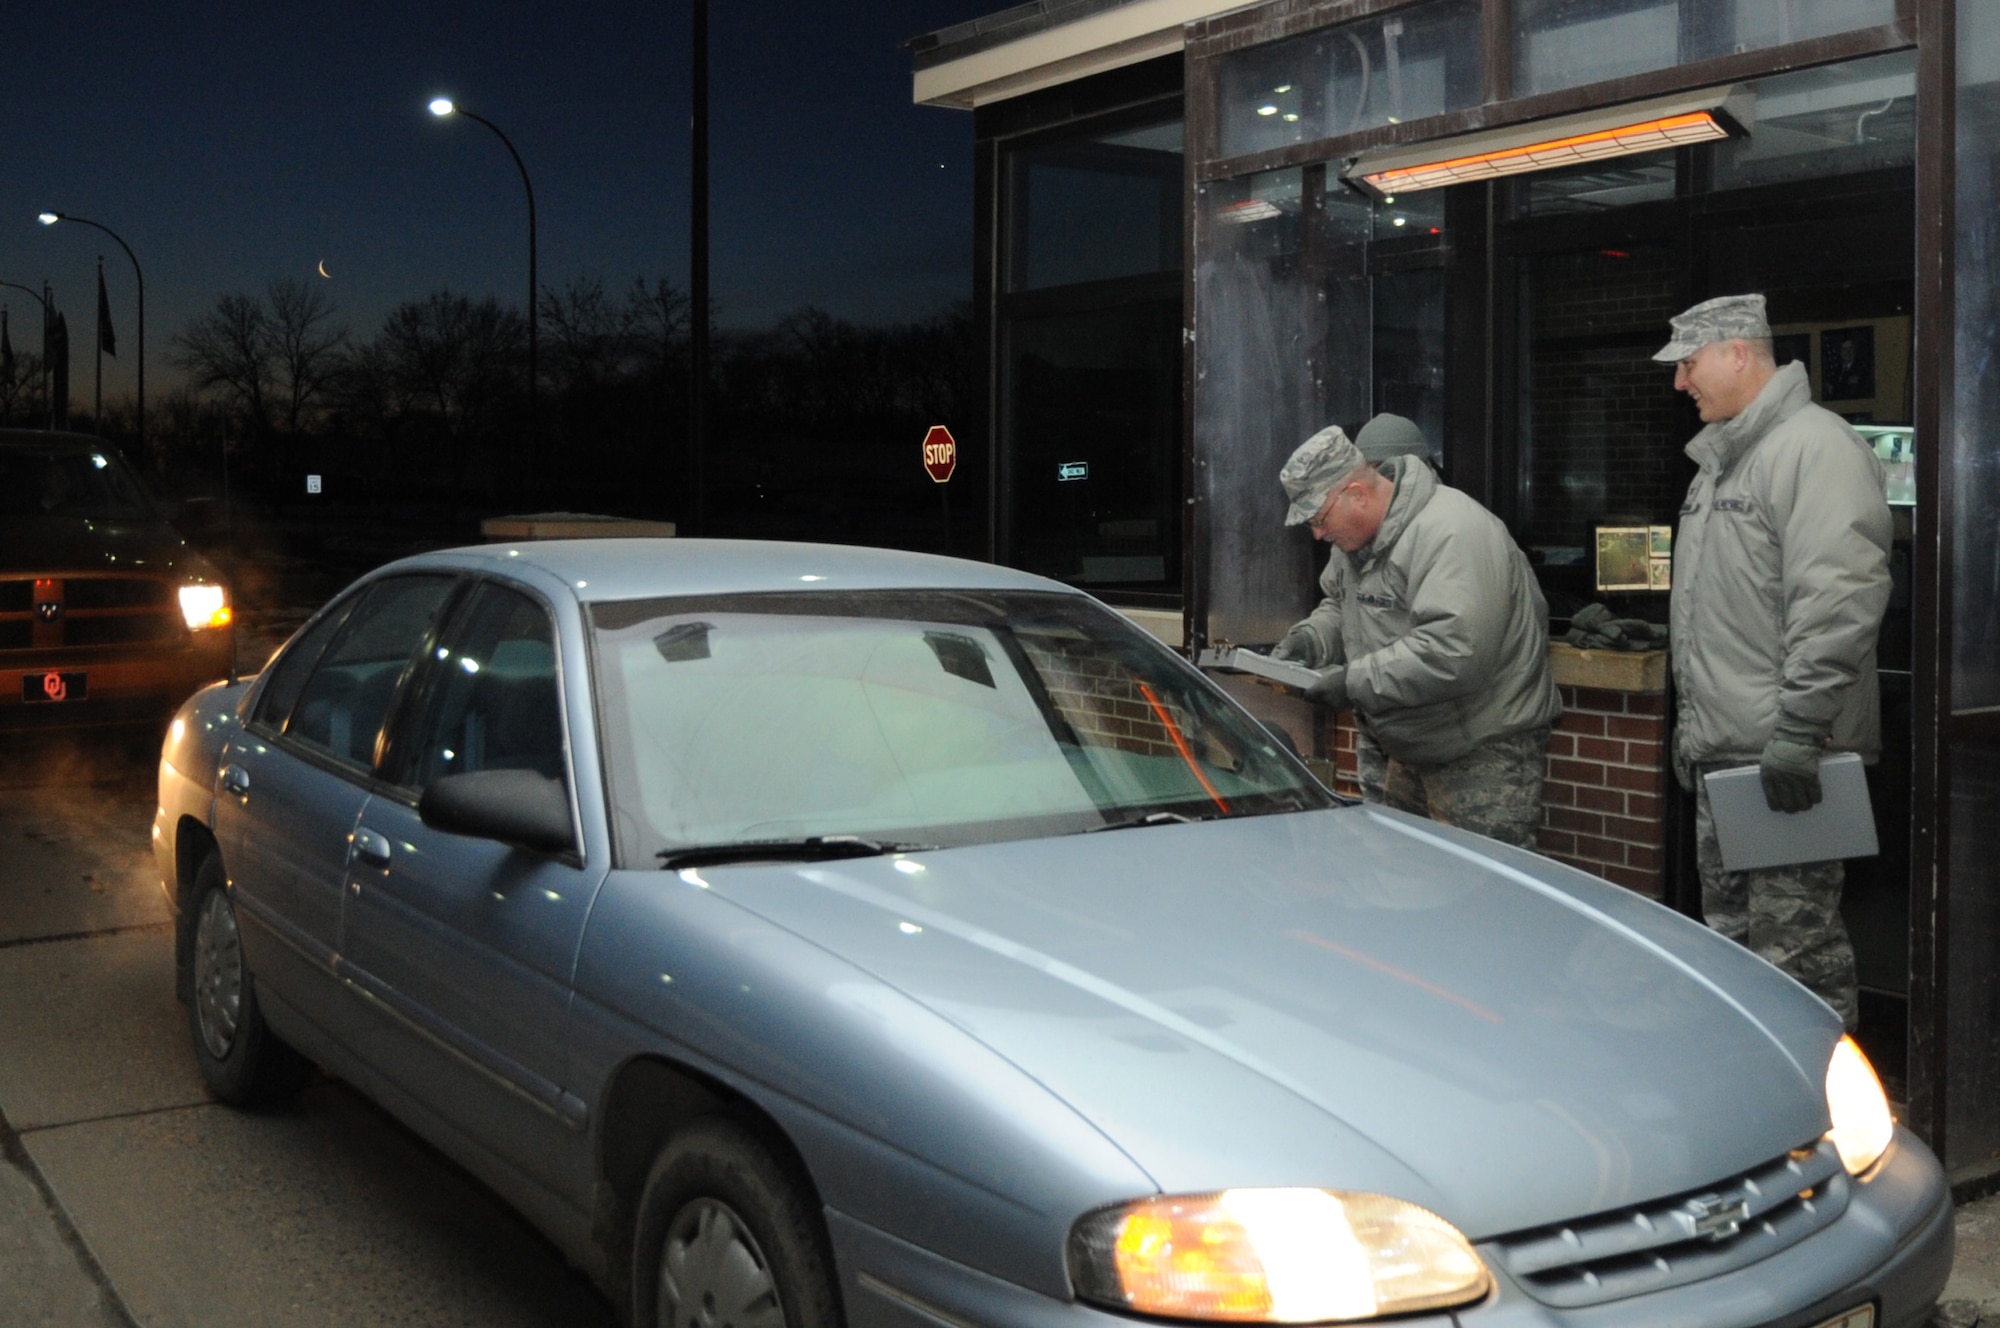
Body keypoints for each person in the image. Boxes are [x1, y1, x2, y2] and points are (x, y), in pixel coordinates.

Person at [1659, 293, 1891, 1032]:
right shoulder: (1722, 462)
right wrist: (1691, 732)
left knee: (1799, 962)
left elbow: (1840, 598)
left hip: (1789, 762)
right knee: (1735, 961)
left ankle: (1829, 1122)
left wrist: (1798, 726)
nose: (1680, 383)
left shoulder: (1814, 447)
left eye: (1688, 363)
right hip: (1729, 760)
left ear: (1737, 352)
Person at [1272, 416, 1560, 849]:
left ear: (1356, 492)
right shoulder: (1353, 541)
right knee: (1405, 886)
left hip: (1480, 750)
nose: (1317, 534)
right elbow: (1341, 604)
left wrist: (1352, 682)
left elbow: (1454, 651)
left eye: (1319, 518)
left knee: (1483, 898)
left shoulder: (1453, 531)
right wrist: (1311, 639)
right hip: (1413, 746)